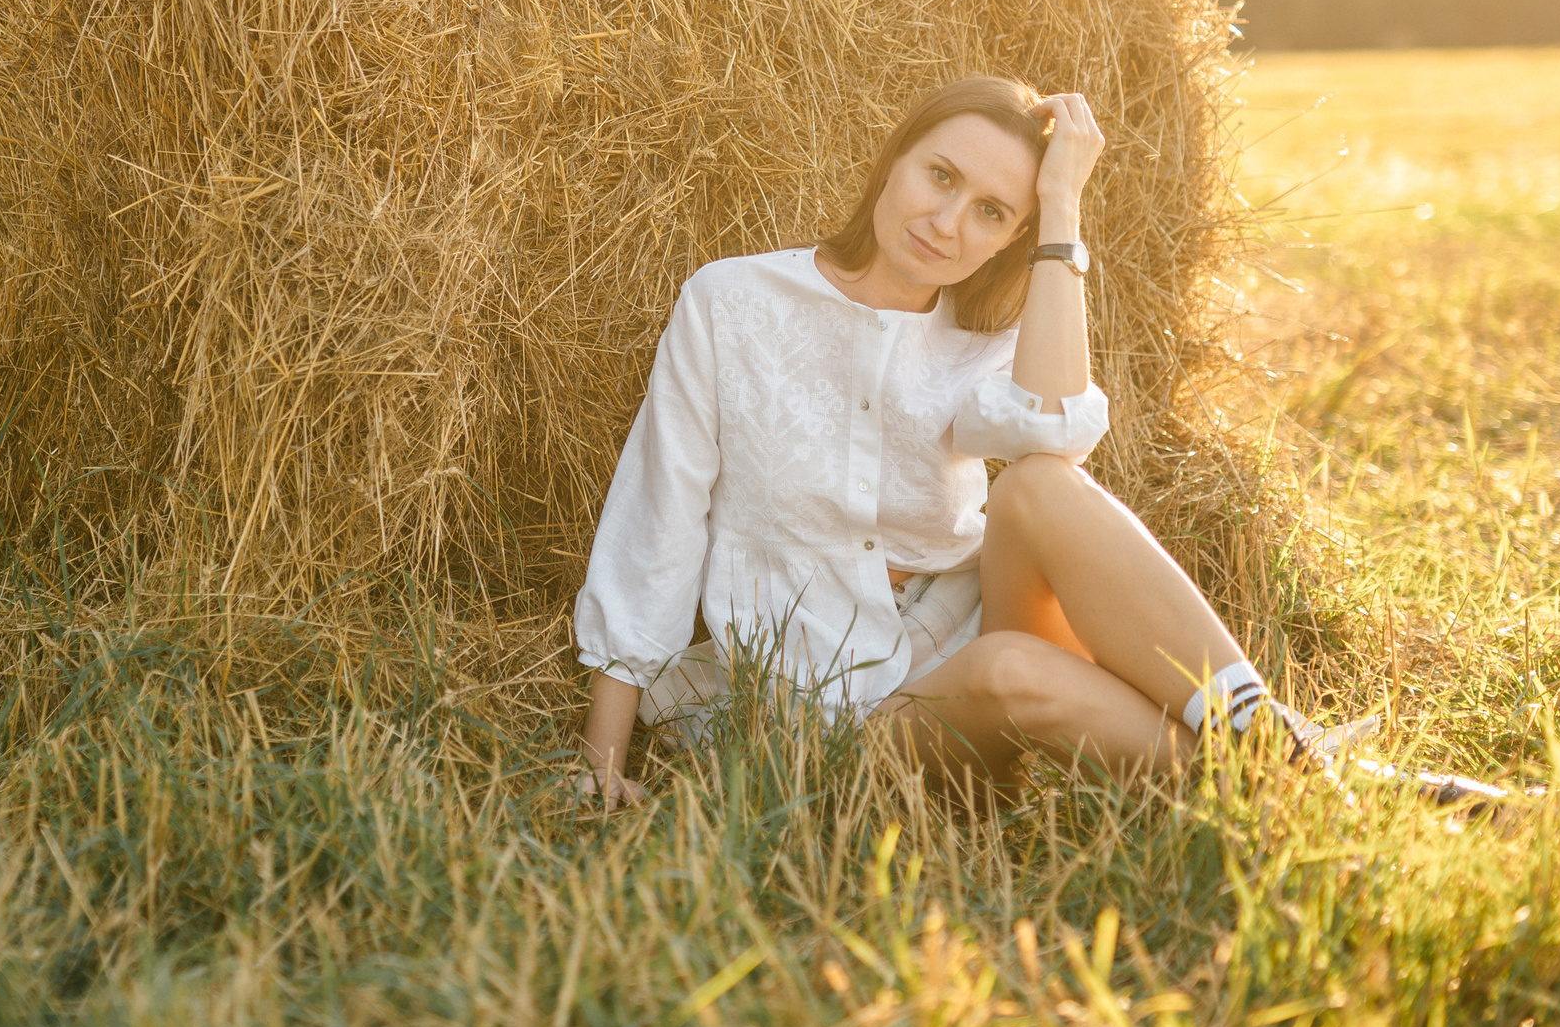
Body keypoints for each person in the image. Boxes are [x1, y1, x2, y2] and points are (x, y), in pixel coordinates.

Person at [570, 76, 1338, 805]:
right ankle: (1299, 777)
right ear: (894, 157)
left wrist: (1062, 208)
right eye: (940, 176)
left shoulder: (980, 344)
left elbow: (1058, 427)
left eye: (991, 212)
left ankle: (1272, 741)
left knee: (1038, 482)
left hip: (962, 628)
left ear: (1010, 239)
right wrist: (603, 759)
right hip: (833, 712)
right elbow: (660, 517)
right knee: (1009, 668)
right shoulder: (732, 302)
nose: (947, 223)